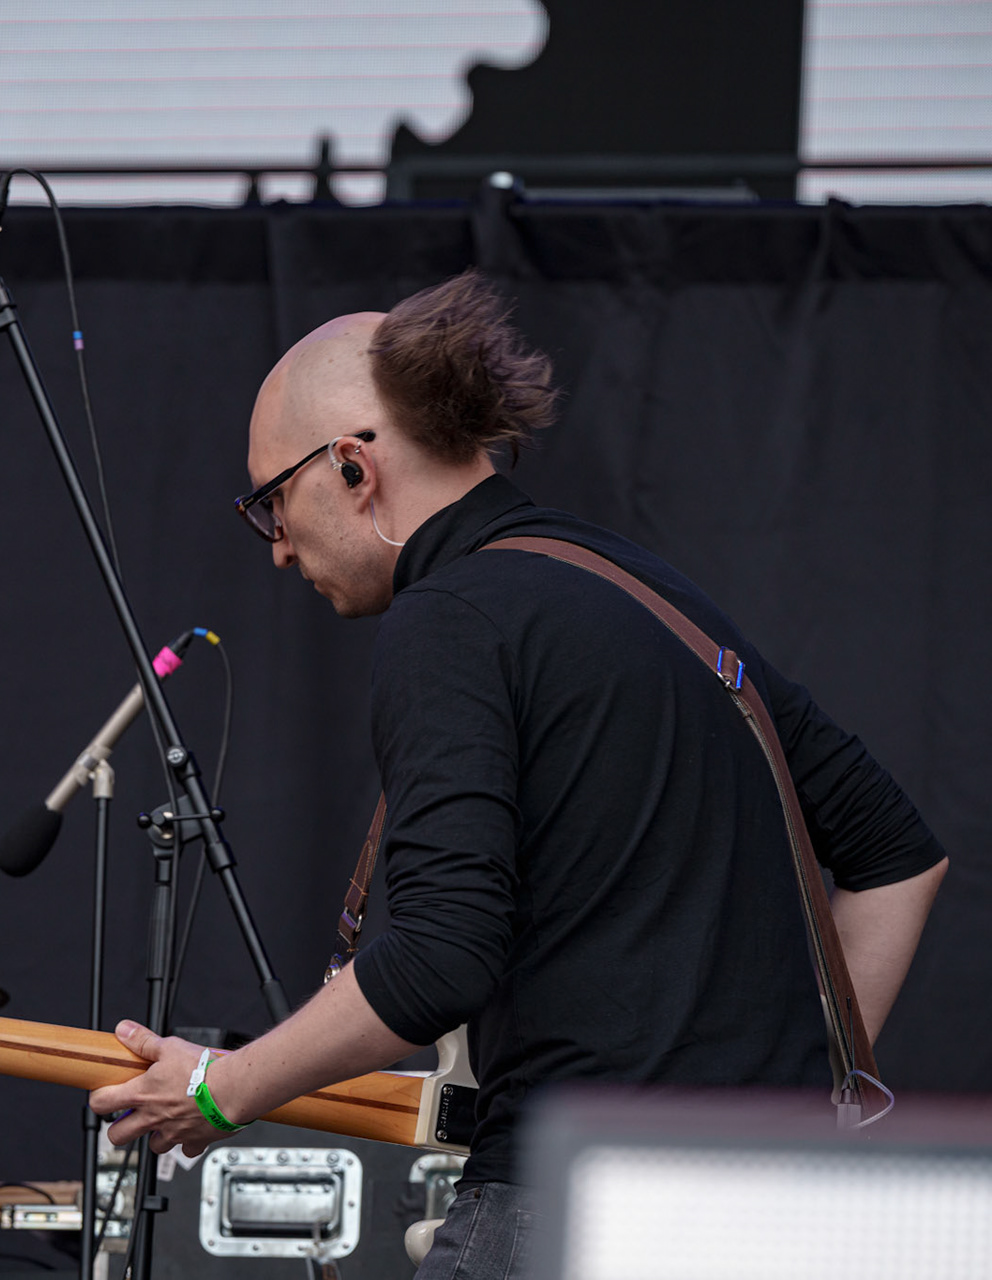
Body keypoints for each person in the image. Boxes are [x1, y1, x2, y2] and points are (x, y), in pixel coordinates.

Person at [89, 272, 948, 1278]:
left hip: (579, 1203)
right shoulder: (650, 594)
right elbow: (899, 855)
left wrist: (218, 1085)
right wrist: (784, 1106)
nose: (276, 548)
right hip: (773, 1211)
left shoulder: (451, 617)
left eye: (272, 502)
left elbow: (438, 957)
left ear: (354, 467)